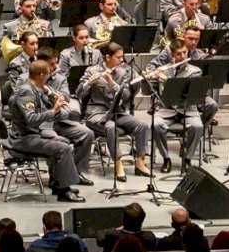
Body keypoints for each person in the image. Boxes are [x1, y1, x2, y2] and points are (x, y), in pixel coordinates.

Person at [9, 60, 85, 202]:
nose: (49, 77)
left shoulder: (35, 89)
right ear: (41, 75)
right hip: (23, 139)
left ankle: (58, 184)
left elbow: (51, 112)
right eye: (48, 74)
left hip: (32, 134)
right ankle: (64, 191)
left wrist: (52, 98)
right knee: (62, 148)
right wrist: (53, 111)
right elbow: (31, 119)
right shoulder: (26, 91)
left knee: (63, 141)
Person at [77, 41, 150, 180]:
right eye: (118, 57)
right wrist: (88, 83)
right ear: (108, 57)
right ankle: (118, 164)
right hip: (96, 113)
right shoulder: (91, 71)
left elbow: (127, 95)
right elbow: (79, 93)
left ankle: (140, 163)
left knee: (142, 125)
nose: (122, 60)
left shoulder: (122, 72)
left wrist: (112, 83)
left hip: (116, 112)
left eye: (122, 56)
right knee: (111, 127)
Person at [151, 39, 209, 172]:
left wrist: (167, 81)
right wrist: (147, 78)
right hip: (167, 109)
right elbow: (149, 90)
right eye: (179, 54)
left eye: (184, 53)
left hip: (187, 109)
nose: (183, 56)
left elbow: (186, 91)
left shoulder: (195, 71)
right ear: (172, 55)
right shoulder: (164, 70)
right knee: (156, 124)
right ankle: (166, 159)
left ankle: (187, 159)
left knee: (197, 126)